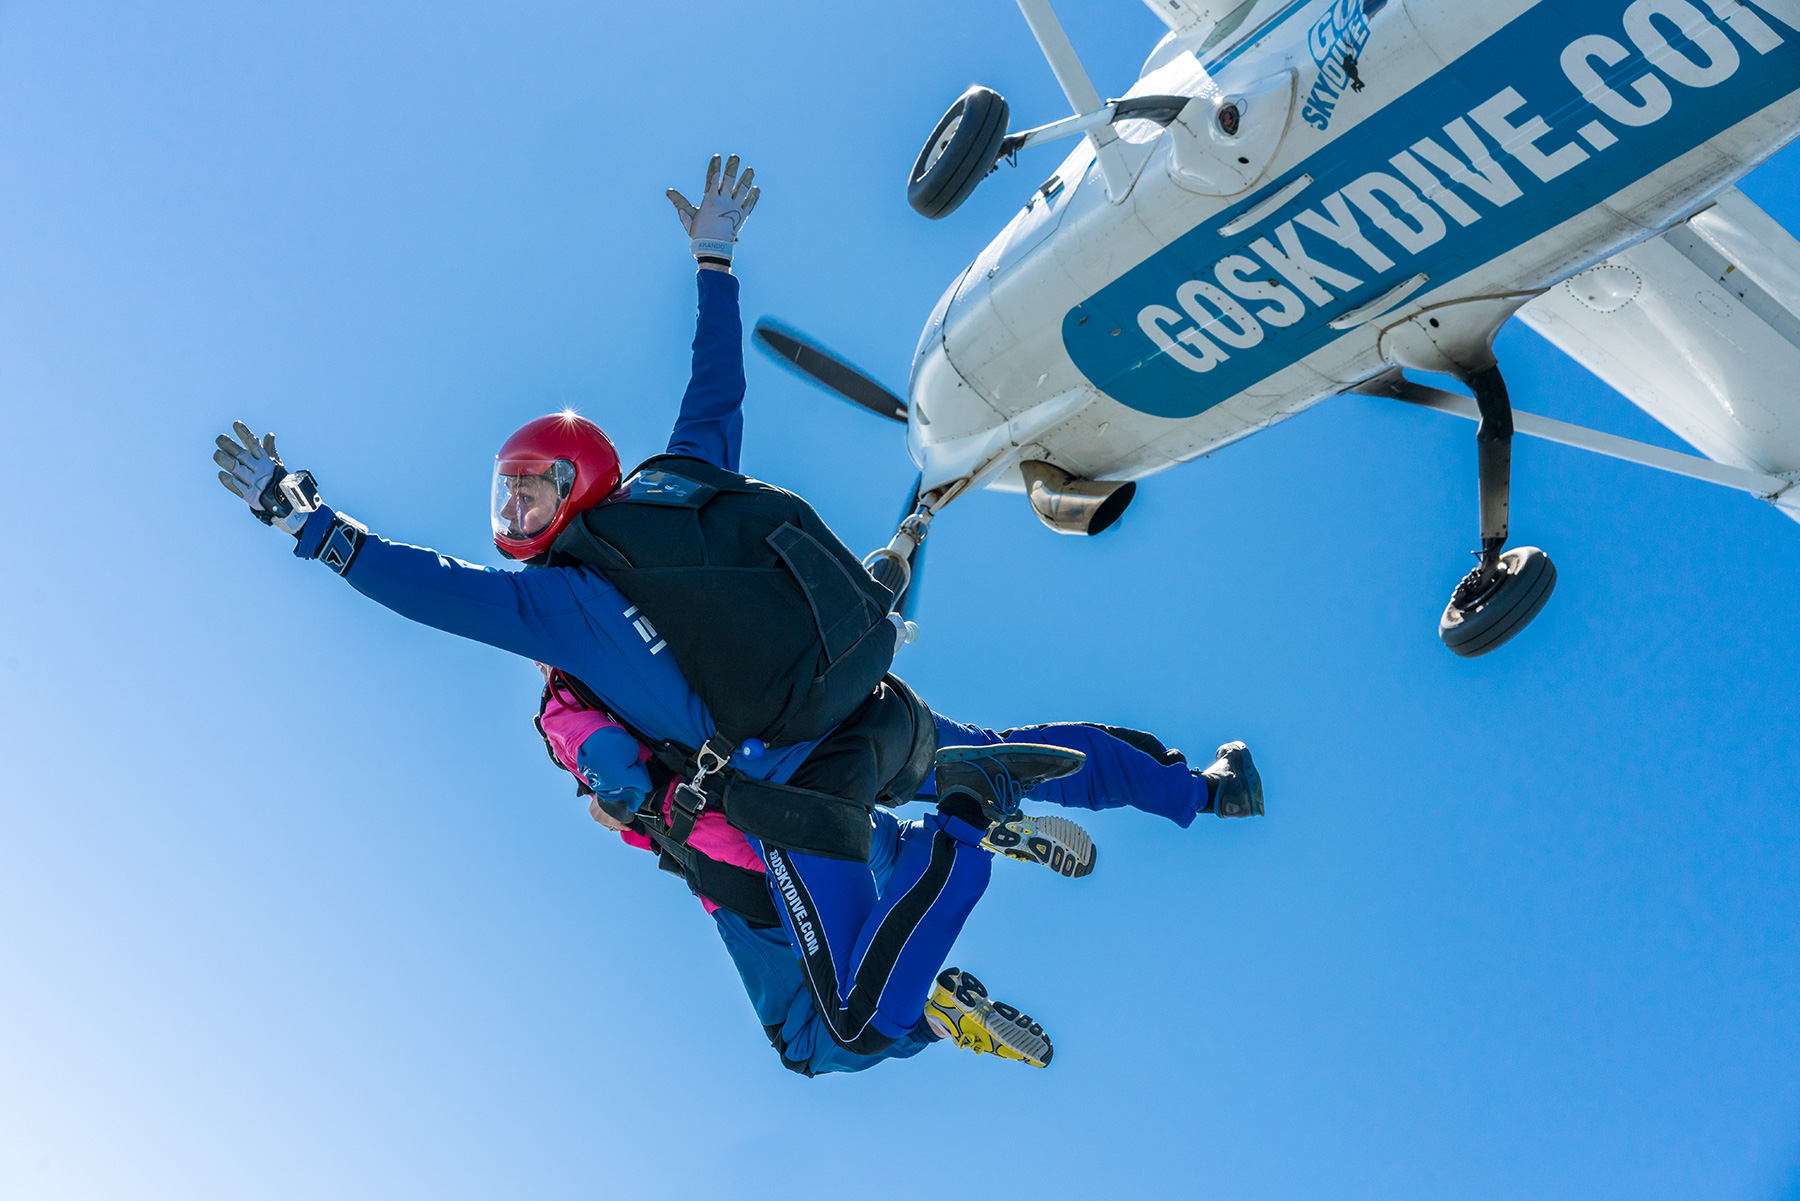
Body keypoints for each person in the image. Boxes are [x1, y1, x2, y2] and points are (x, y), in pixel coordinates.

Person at [214, 154, 1264, 1072]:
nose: (512, 508)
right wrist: (714, 264)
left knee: (845, 1021)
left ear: (577, 478)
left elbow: (430, 587)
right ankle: (1203, 794)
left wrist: (309, 525)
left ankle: (967, 828)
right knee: (1024, 750)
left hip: (800, 786)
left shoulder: (556, 605)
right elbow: (715, 393)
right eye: (504, 492)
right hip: (867, 704)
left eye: (530, 485)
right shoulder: (679, 484)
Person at [534, 662, 1255, 1075]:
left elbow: (614, 776)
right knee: (996, 756)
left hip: (757, 852)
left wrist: (614, 800)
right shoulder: (665, 613)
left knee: (813, 1039)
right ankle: (1205, 790)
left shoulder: (565, 692)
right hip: (843, 730)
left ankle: (940, 1003)